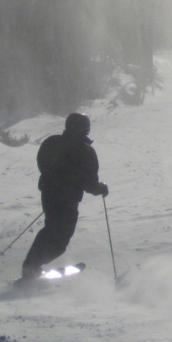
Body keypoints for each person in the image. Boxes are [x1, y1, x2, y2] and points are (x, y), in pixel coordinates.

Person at [21, 112, 108, 280]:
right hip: (67, 198)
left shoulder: (51, 142)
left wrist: (56, 179)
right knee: (60, 240)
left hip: (49, 194)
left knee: (51, 230)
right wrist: (101, 189)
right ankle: (31, 267)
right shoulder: (86, 151)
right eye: (85, 128)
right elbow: (90, 182)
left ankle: (31, 266)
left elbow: (42, 165)